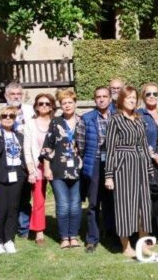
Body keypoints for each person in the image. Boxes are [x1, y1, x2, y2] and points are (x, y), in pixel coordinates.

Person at [104, 86, 154, 258]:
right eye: (128, 97)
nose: (132, 100)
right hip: (123, 167)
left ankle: (143, 244)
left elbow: (144, 145)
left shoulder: (139, 119)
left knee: (143, 207)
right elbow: (110, 149)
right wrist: (109, 176)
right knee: (125, 207)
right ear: (121, 100)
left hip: (141, 166)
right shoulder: (115, 120)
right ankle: (126, 247)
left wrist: (149, 169)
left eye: (134, 97)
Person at [0, 81, 34, 239]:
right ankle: (7, 228)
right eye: (12, 94)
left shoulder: (30, 111)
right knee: (5, 201)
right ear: (6, 95)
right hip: (4, 164)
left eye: (19, 94)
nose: (16, 97)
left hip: (24, 162)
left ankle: (23, 228)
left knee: (23, 198)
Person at [41, 88, 83, 249]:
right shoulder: (55, 122)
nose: (67, 105)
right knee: (63, 204)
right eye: (64, 103)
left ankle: (74, 236)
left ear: (75, 103)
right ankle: (64, 237)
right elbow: (48, 146)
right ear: (60, 105)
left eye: (70, 102)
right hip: (58, 169)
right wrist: (46, 168)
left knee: (75, 205)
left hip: (78, 170)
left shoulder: (82, 121)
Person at [77, 86, 115, 253]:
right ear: (94, 99)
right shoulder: (86, 118)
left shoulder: (118, 116)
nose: (101, 99)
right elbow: (81, 145)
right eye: (98, 97)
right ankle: (92, 239)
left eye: (104, 96)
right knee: (93, 203)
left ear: (110, 98)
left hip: (114, 163)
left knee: (112, 200)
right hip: (95, 162)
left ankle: (112, 233)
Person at [0, 106, 26, 254]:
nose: (8, 118)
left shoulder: (19, 135)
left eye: (12, 116)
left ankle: (9, 239)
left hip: (17, 175)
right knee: (1, 210)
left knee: (13, 209)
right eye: (5, 116)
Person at [137, 83, 158, 241]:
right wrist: (153, 155)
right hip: (145, 161)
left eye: (155, 94)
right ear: (143, 96)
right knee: (147, 196)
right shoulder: (139, 115)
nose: (152, 97)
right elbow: (139, 140)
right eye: (148, 94)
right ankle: (147, 233)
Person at [23, 93, 55, 245]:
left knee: (62, 200)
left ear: (52, 106)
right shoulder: (30, 124)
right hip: (37, 167)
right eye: (41, 103)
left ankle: (64, 231)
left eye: (47, 103)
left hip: (55, 167)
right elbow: (27, 149)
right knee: (38, 200)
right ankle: (39, 231)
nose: (44, 106)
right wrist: (31, 169)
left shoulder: (56, 122)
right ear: (36, 106)